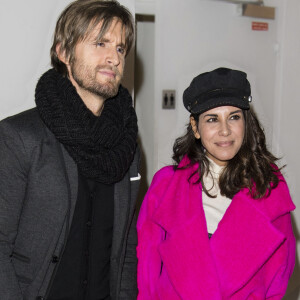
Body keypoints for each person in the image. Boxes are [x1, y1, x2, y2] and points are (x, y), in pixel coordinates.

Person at [0, 1, 140, 299]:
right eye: (100, 43)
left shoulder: (126, 143)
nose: (113, 58)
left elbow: (126, 245)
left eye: (120, 48)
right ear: (64, 52)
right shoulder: (20, 137)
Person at [137, 67, 296, 299]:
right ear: (196, 127)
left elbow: (279, 276)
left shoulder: (270, 188)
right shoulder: (167, 186)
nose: (225, 130)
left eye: (234, 117)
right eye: (212, 119)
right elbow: (145, 270)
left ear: (246, 123)